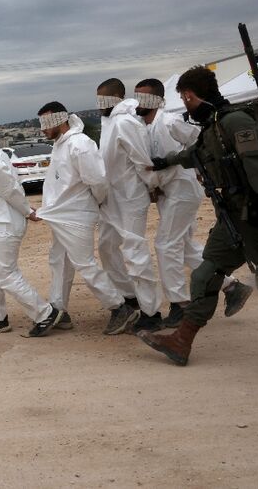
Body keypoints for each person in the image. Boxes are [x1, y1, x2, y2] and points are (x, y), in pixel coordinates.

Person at [138, 66, 258, 369]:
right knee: (205, 275)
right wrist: (167, 161)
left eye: (184, 98)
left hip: (257, 217)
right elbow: (197, 154)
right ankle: (181, 340)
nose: (185, 104)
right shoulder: (214, 126)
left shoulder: (236, 122)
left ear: (189, 95)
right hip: (233, 218)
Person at [135, 79, 253, 328]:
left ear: (156, 100)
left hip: (183, 189)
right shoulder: (143, 128)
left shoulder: (170, 122)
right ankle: (232, 286)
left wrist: (199, 169)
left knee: (166, 245)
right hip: (169, 192)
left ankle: (181, 304)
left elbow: (199, 141)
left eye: (144, 97)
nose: (139, 103)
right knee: (185, 246)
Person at [30, 102, 138, 334]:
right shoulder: (61, 145)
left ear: (61, 120)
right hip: (61, 215)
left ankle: (119, 307)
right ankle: (58, 309)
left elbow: (97, 181)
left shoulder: (80, 144)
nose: (42, 129)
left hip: (76, 216)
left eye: (46, 123)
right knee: (59, 261)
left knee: (84, 264)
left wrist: (94, 203)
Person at [0, 111, 62, 337]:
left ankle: (45, 314)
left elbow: (9, 188)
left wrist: (27, 211)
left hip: (3, 224)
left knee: (6, 274)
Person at [95, 78, 163, 331]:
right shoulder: (110, 123)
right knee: (107, 246)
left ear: (116, 98)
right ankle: (129, 296)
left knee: (135, 252)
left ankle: (151, 311)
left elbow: (141, 159)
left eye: (103, 99)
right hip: (112, 199)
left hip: (131, 197)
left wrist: (152, 185)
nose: (99, 105)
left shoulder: (124, 122)